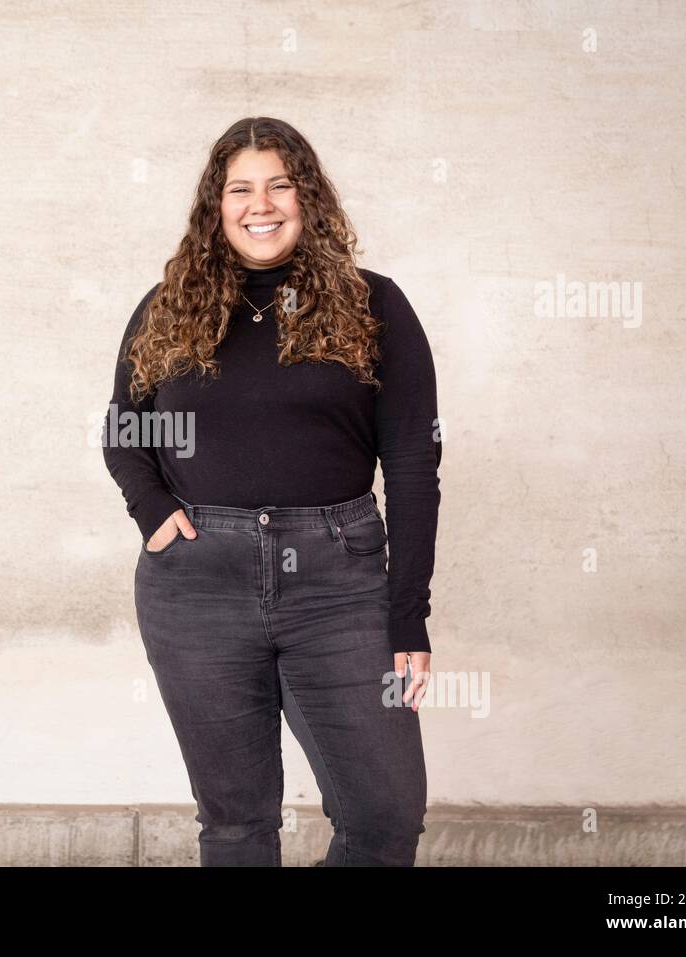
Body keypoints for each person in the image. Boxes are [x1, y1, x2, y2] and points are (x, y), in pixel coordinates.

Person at [101, 117, 442, 866]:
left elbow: (414, 464)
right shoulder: (170, 307)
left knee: (385, 814)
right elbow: (126, 432)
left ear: (307, 197)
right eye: (241, 188)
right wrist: (156, 516)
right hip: (199, 584)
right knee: (236, 825)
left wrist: (407, 616)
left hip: (341, 582)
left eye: (280, 184)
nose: (262, 204)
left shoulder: (373, 304)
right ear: (216, 207)